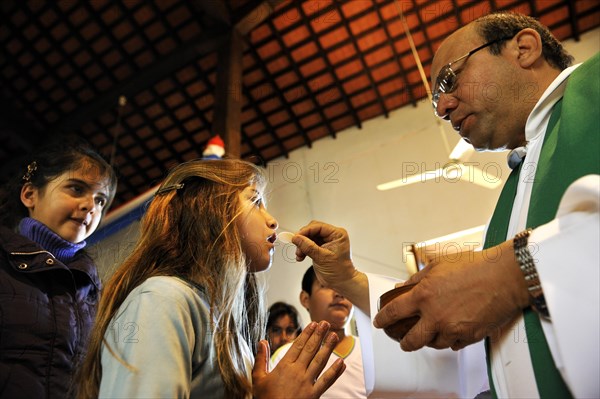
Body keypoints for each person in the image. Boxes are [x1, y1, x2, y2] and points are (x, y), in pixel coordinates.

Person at [290, 12, 599, 399]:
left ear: (524, 48)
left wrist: (515, 273)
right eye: (436, 100)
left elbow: (507, 284)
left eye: (449, 80)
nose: (443, 108)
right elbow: (480, 351)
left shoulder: (595, 88)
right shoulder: (514, 189)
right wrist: (350, 280)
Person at [76, 158, 345, 399]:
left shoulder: (228, 328)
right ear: (210, 209)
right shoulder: (162, 300)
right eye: (254, 201)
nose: (273, 220)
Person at [0, 137, 118, 398]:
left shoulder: (92, 290)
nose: (91, 206)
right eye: (76, 189)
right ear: (30, 195)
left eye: (100, 200)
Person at [271, 265, 367, 398]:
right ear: (305, 299)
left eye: (345, 287)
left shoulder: (371, 352)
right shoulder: (285, 356)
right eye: (326, 285)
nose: (339, 293)